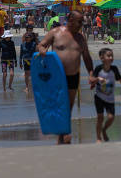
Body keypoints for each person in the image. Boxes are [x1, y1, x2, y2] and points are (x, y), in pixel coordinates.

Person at [37, 10, 95, 144]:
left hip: (73, 76)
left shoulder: (80, 38)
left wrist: (91, 74)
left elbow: (86, 57)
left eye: (82, 22)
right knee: (58, 105)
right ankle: (63, 134)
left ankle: (62, 135)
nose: (81, 24)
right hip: (56, 76)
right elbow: (41, 44)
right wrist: (41, 50)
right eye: (79, 21)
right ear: (70, 20)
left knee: (68, 107)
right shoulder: (56, 33)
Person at [92, 47, 121, 142]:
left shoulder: (114, 69)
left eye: (112, 55)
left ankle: (104, 130)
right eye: (108, 56)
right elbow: (91, 80)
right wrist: (97, 79)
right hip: (99, 97)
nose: (111, 57)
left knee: (111, 117)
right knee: (100, 118)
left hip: (110, 98)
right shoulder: (98, 69)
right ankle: (98, 138)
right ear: (102, 58)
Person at [20, 24, 38, 92]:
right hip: (26, 53)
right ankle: (27, 86)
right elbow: (23, 43)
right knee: (27, 73)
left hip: (33, 52)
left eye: (31, 29)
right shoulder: (25, 35)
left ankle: (33, 85)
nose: (30, 30)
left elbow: (37, 42)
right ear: (27, 29)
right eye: (29, 29)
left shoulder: (34, 34)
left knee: (33, 72)